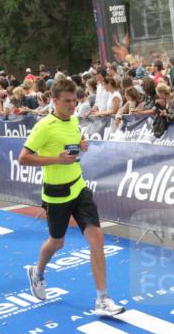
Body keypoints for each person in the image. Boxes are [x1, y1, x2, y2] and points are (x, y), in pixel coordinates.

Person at [18, 79, 124, 317]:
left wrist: (80, 145)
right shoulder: (44, 126)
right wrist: (56, 159)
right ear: (54, 101)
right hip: (56, 194)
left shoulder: (75, 121)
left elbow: (72, 149)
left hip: (78, 187)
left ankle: (102, 299)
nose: (72, 105)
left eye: (74, 100)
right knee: (57, 242)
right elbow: (23, 158)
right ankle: (37, 272)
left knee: (97, 238)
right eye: (66, 101)